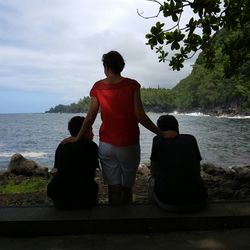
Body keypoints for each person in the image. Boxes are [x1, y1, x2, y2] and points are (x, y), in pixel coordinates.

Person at [62, 51, 172, 205]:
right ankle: (126, 223)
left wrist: (78, 137)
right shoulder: (132, 85)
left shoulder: (98, 87)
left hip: (107, 145)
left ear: (106, 67)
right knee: (127, 188)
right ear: (121, 67)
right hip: (130, 144)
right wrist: (161, 133)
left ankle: (113, 221)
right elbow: (140, 115)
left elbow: (90, 117)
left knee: (113, 188)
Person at [149, 114, 208, 212]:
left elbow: (153, 172)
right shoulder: (191, 139)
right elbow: (197, 170)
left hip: (167, 204)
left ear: (159, 128)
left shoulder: (157, 140)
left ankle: (151, 212)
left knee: (151, 181)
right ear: (177, 126)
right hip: (198, 201)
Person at [47, 116, 99, 209]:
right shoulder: (92, 146)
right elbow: (92, 174)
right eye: (91, 130)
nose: (93, 134)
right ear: (84, 130)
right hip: (83, 199)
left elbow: (57, 171)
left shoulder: (62, 145)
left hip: (59, 199)